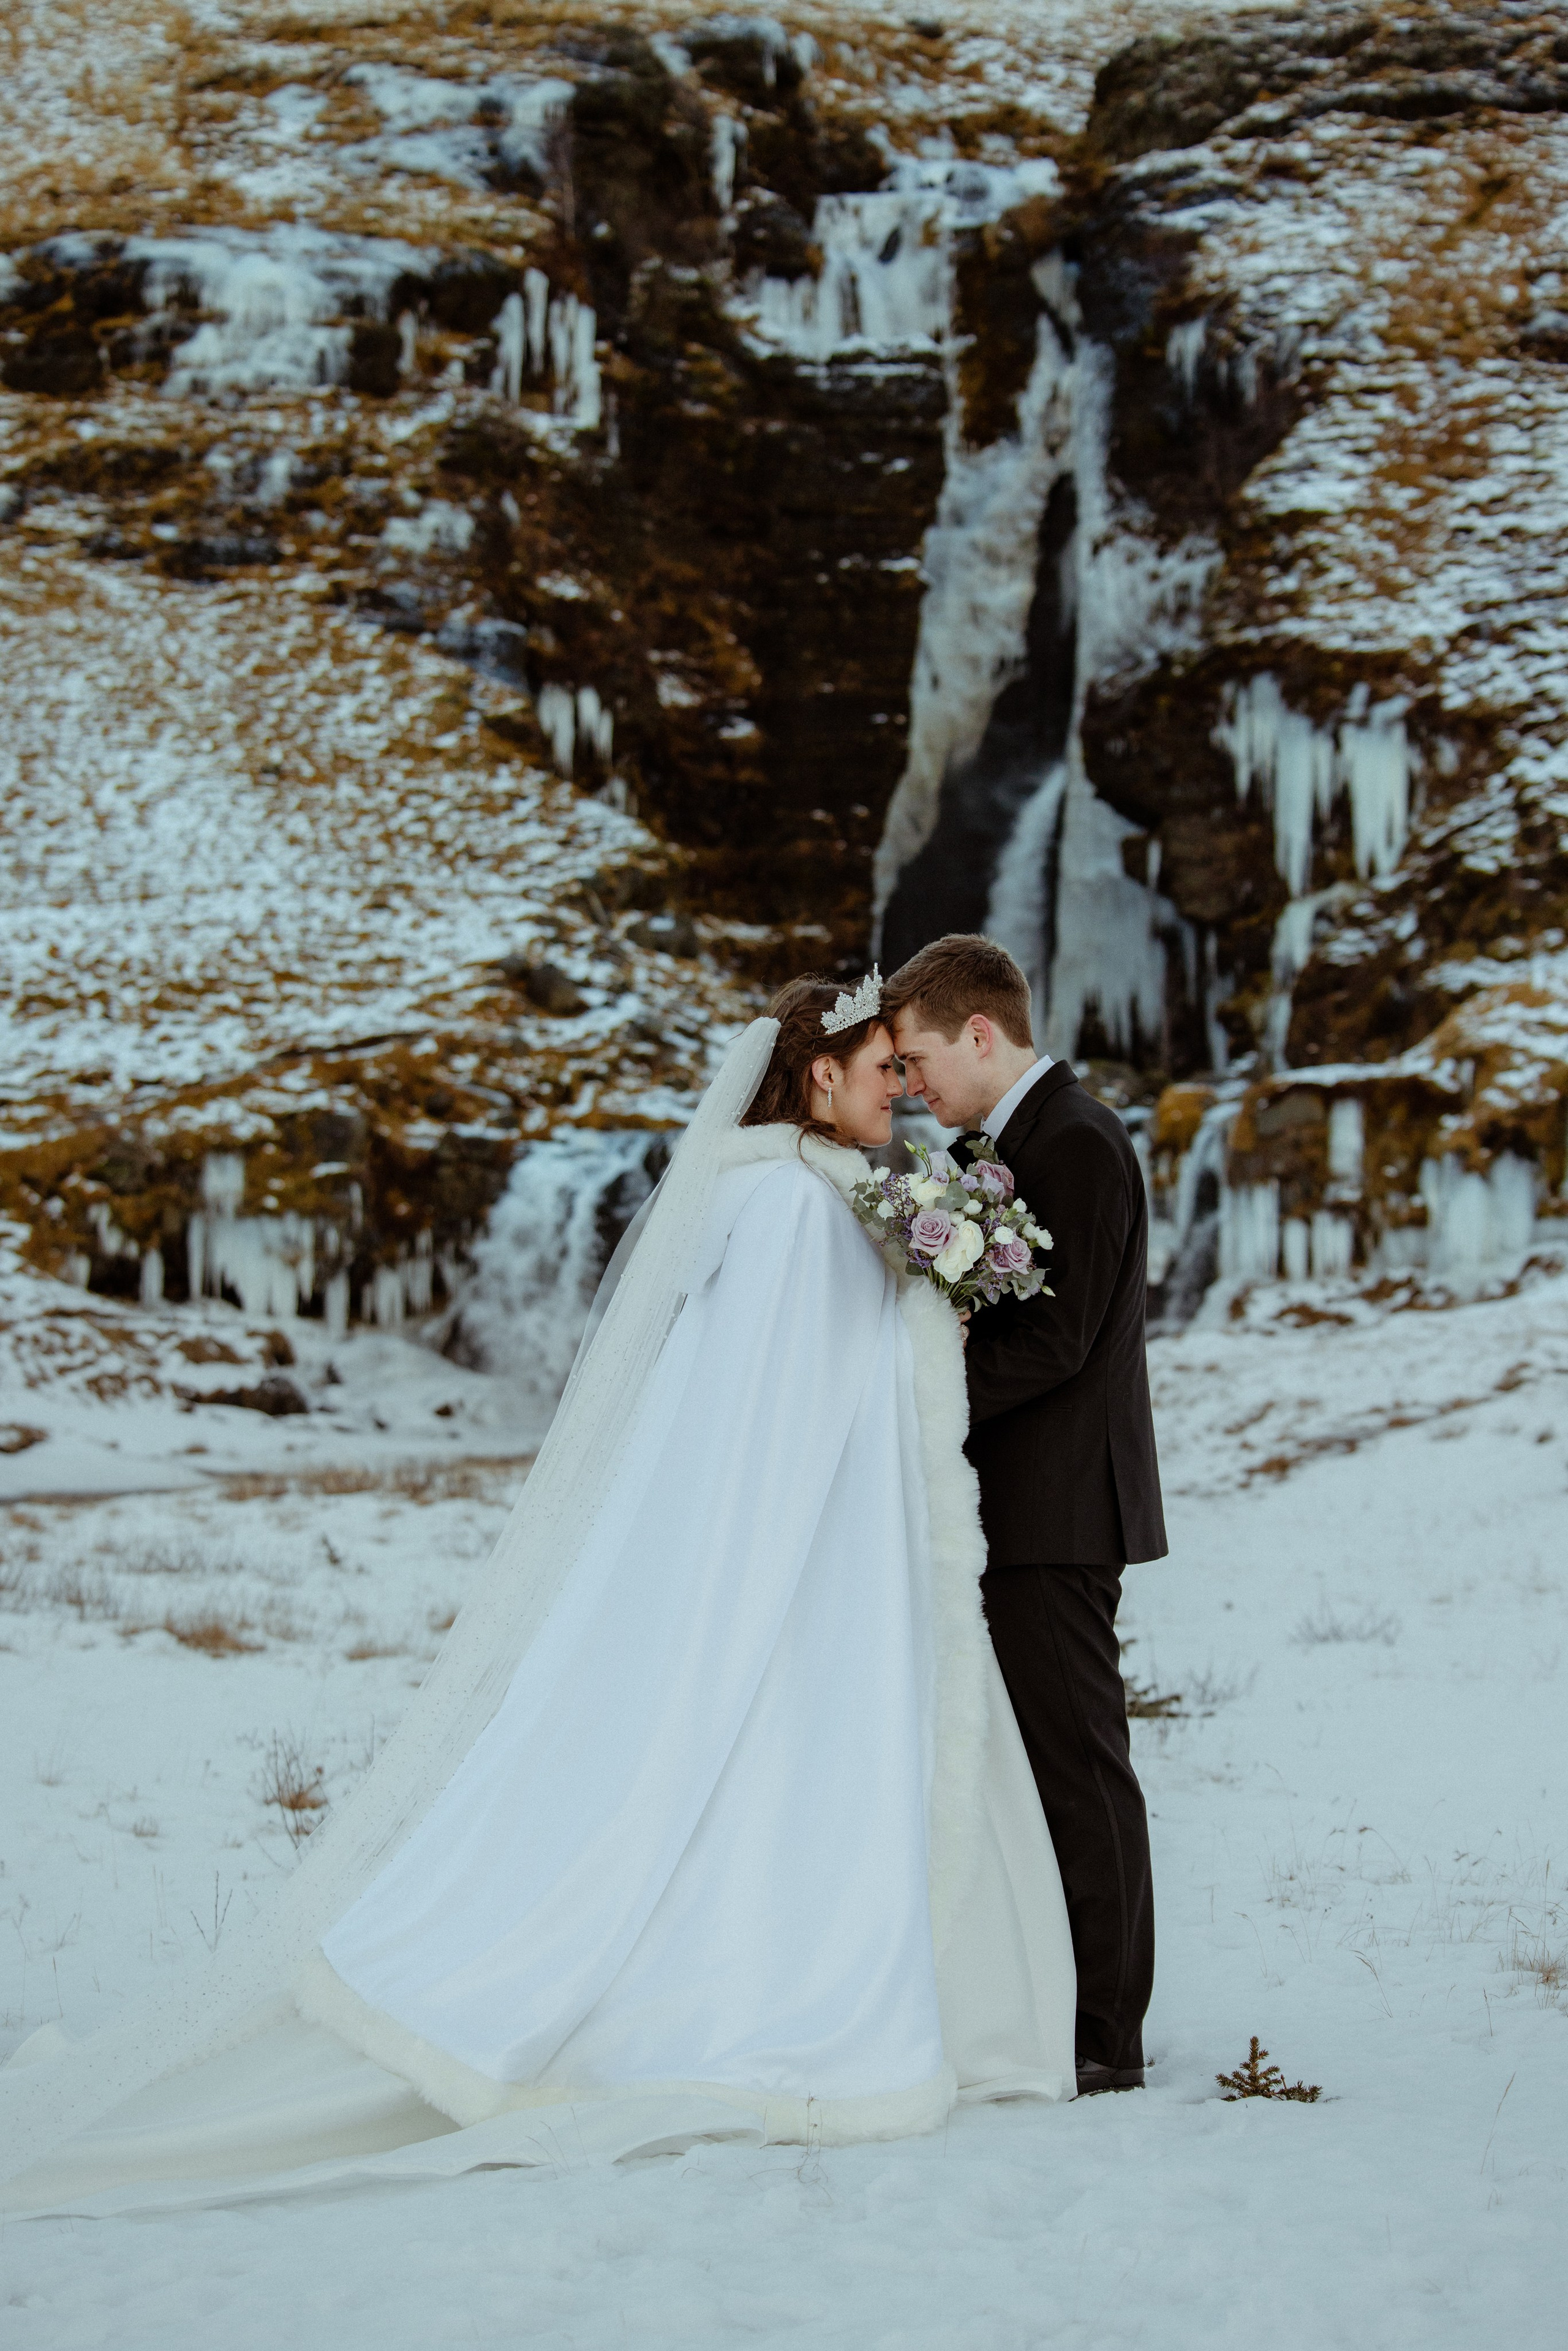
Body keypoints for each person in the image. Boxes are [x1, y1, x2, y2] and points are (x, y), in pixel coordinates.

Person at [1, 975, 1074, 2217]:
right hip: (800, 1569)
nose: (902, 1086)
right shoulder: (791, 1203)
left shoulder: (790, 1190)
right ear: (820, 1074)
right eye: (885, 1064)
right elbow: (778, 1418)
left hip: (815, 1557)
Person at [886, 934, 1167, 2096]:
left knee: (1081, 1765)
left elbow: (1058, 1338)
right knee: (1033, 1768)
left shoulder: (1080, 1142)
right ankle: (1055, 2006)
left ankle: (1107, 2034)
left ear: (980, 1032)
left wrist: (914, 1396)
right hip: (1011, 1504)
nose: (909, 1084)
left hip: (1059, 1508)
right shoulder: (995, 1151)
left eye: (915, 1058)